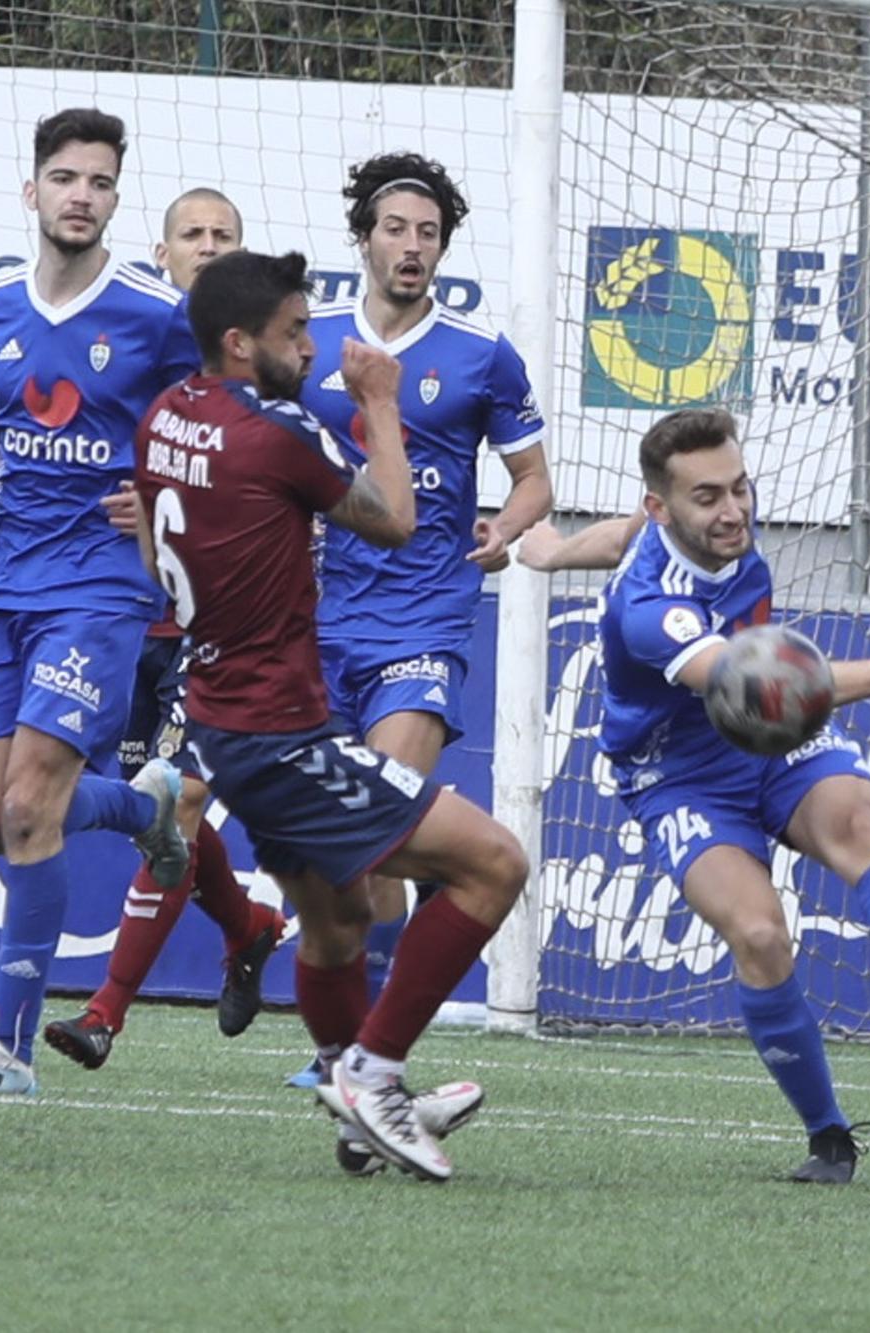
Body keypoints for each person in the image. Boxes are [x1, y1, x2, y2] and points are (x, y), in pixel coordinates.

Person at [516, 408, 870, 1184]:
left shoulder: (687, 528)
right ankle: (830, 1135)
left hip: (769, 743)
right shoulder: (650, 611)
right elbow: (769, 688)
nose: (735, 510)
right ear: (666, 506)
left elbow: (619, 534)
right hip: (685, 771)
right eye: (709, 497)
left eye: (740, 487)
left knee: (854, 820)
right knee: (759, 933)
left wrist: (548, 551)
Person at [130, 249, 527, 1181]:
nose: (313, 347)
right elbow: (395, 517)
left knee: (340, 924)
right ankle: (375, 1074)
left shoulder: (165, 417)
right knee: (494, 865)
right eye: (295, 333)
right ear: (240, 343)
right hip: (280, 735)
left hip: (225, 722)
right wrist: (380, 401)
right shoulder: (276, 432)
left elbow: (153, 553)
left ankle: (359, 1108)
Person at [0, 108, 194, 1096]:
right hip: (2, 587)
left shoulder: (157, 316)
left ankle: (6, 1049)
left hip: (101, 590)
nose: (83, 194)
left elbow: (206, 440)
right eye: (67, 178)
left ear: (117, 200)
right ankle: (139, 802)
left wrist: (161, 497)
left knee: (31, 804)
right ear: (31, 192)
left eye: (102, 182)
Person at [288, 152, 552, 1086]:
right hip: (312, 631)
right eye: (396, 229)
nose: (412, 246)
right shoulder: (309, 342)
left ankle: (361, 1059)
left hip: (423, 625)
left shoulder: (480, 354)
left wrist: (503, 533)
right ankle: (356, 1047)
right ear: (364, 236)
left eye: (429, 233)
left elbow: (534, 482)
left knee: (373, 812)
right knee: (350, 882)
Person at [42, 185, 284, 1069]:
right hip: (119, 611)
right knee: (157, 813)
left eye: (225, 234)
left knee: (175, 796)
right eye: (194, 234)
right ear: (163, 250)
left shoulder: (259, 365)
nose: (209, 247)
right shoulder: (131, 340)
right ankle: (250, 924)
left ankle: (105, 1012)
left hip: (217, 627)